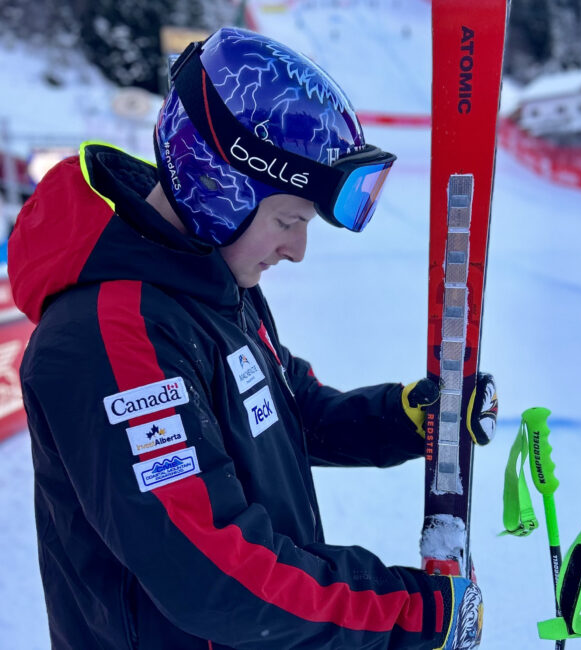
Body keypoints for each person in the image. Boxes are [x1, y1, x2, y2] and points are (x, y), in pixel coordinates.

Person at [9, 27, 497, 649]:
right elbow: (214, 576)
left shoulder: (210, 289)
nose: (296, 250)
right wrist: (409, 613)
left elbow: (288, 412)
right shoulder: (111, 336)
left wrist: (407, 418)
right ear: (219, 187)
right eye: (289, 219)